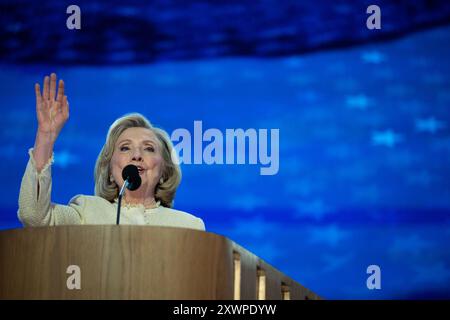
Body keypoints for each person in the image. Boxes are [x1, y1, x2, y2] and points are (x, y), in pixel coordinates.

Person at [18, 73, 205, 231]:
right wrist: (46, 137)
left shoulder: (189, 226)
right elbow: (33, 216)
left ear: (164, 170)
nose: (137, 155)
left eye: (148, 148)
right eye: (125, 147)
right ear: (109, 169)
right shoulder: (87, 212)